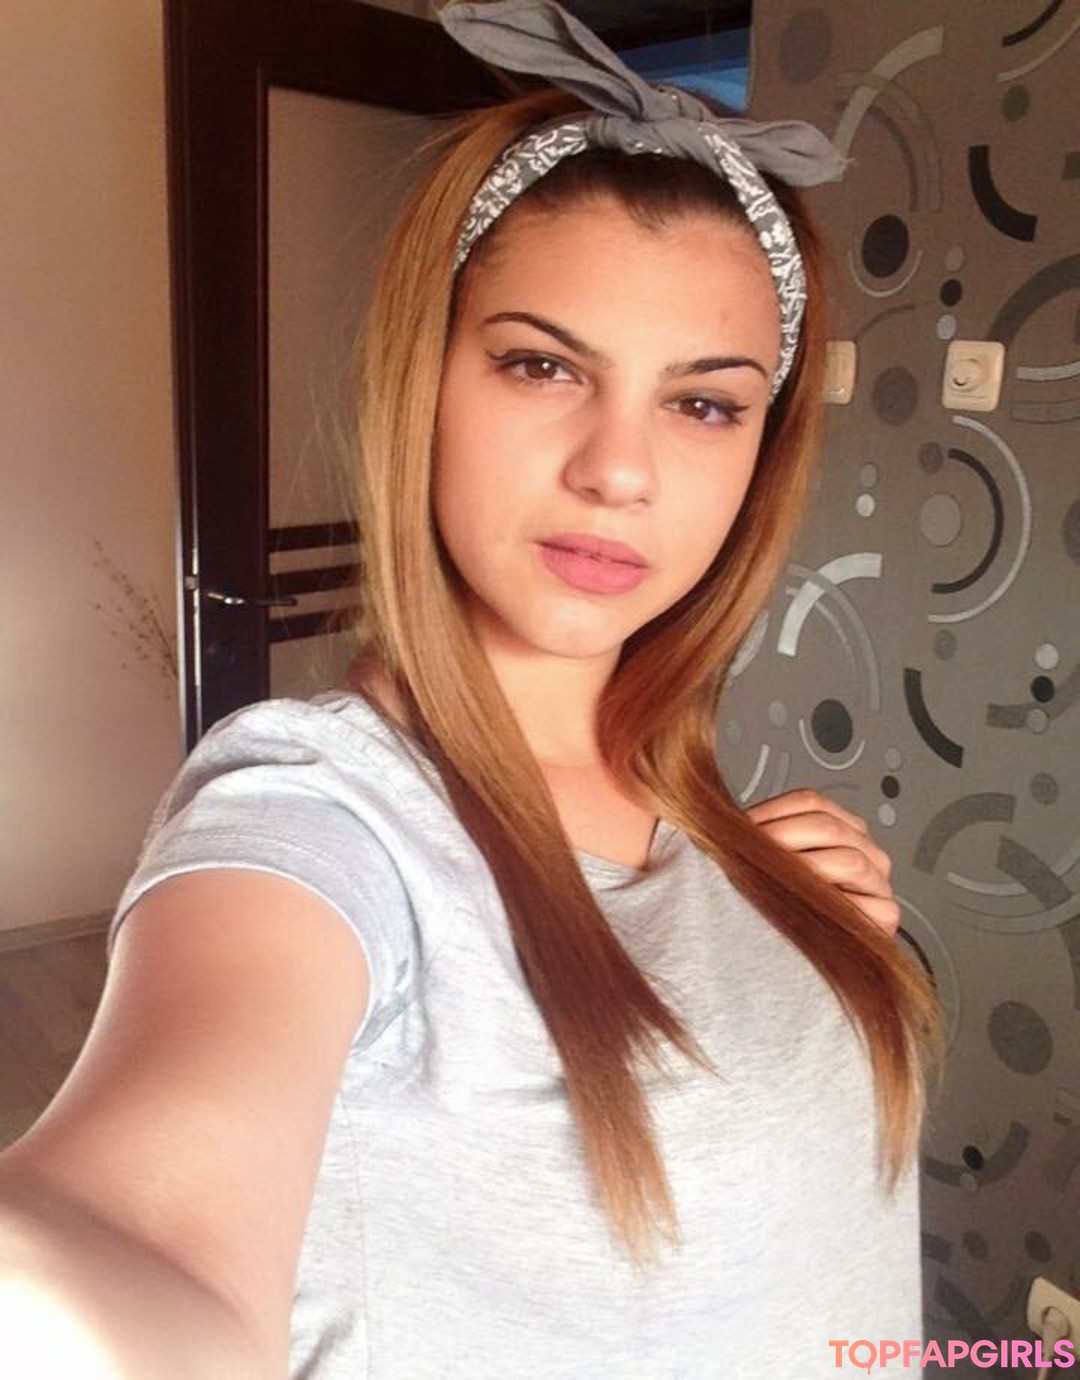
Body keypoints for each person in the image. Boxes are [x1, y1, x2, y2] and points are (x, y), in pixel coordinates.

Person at [0, 2, 940, 1376]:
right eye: (541, 366)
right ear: (424, 381)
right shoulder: (322, 813)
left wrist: (780, 927)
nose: (618, 469)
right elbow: (136, 1242)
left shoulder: (693, 804)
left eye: (702, 402)